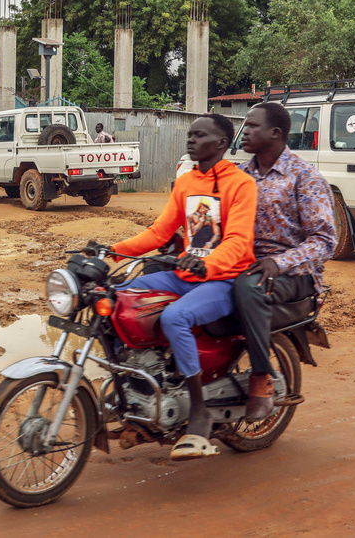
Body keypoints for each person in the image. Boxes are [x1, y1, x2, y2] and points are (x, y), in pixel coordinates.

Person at [111, 114, 257, 460]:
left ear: (221, 143)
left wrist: (208, 263)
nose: (191, 140)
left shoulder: (240, 184)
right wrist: (113, 251)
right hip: (185, 275)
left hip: (224, 279)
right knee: (119, 297)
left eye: (199, 135)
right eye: (190, 135)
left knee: (175, 317)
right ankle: (136, 386)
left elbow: (238, 241)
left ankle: (199, 409)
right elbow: (160, 232)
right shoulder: (186, 182)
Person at [233, 102, 336, 421]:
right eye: (245, 125)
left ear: (275, 133)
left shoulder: (304, 176)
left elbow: (324, 240)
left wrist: (279, 263)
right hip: (248, 263)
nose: (245, 131)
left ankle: (261, 380)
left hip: (295, 274)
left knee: (249, 288)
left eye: (252, 126)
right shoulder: (240, 175)